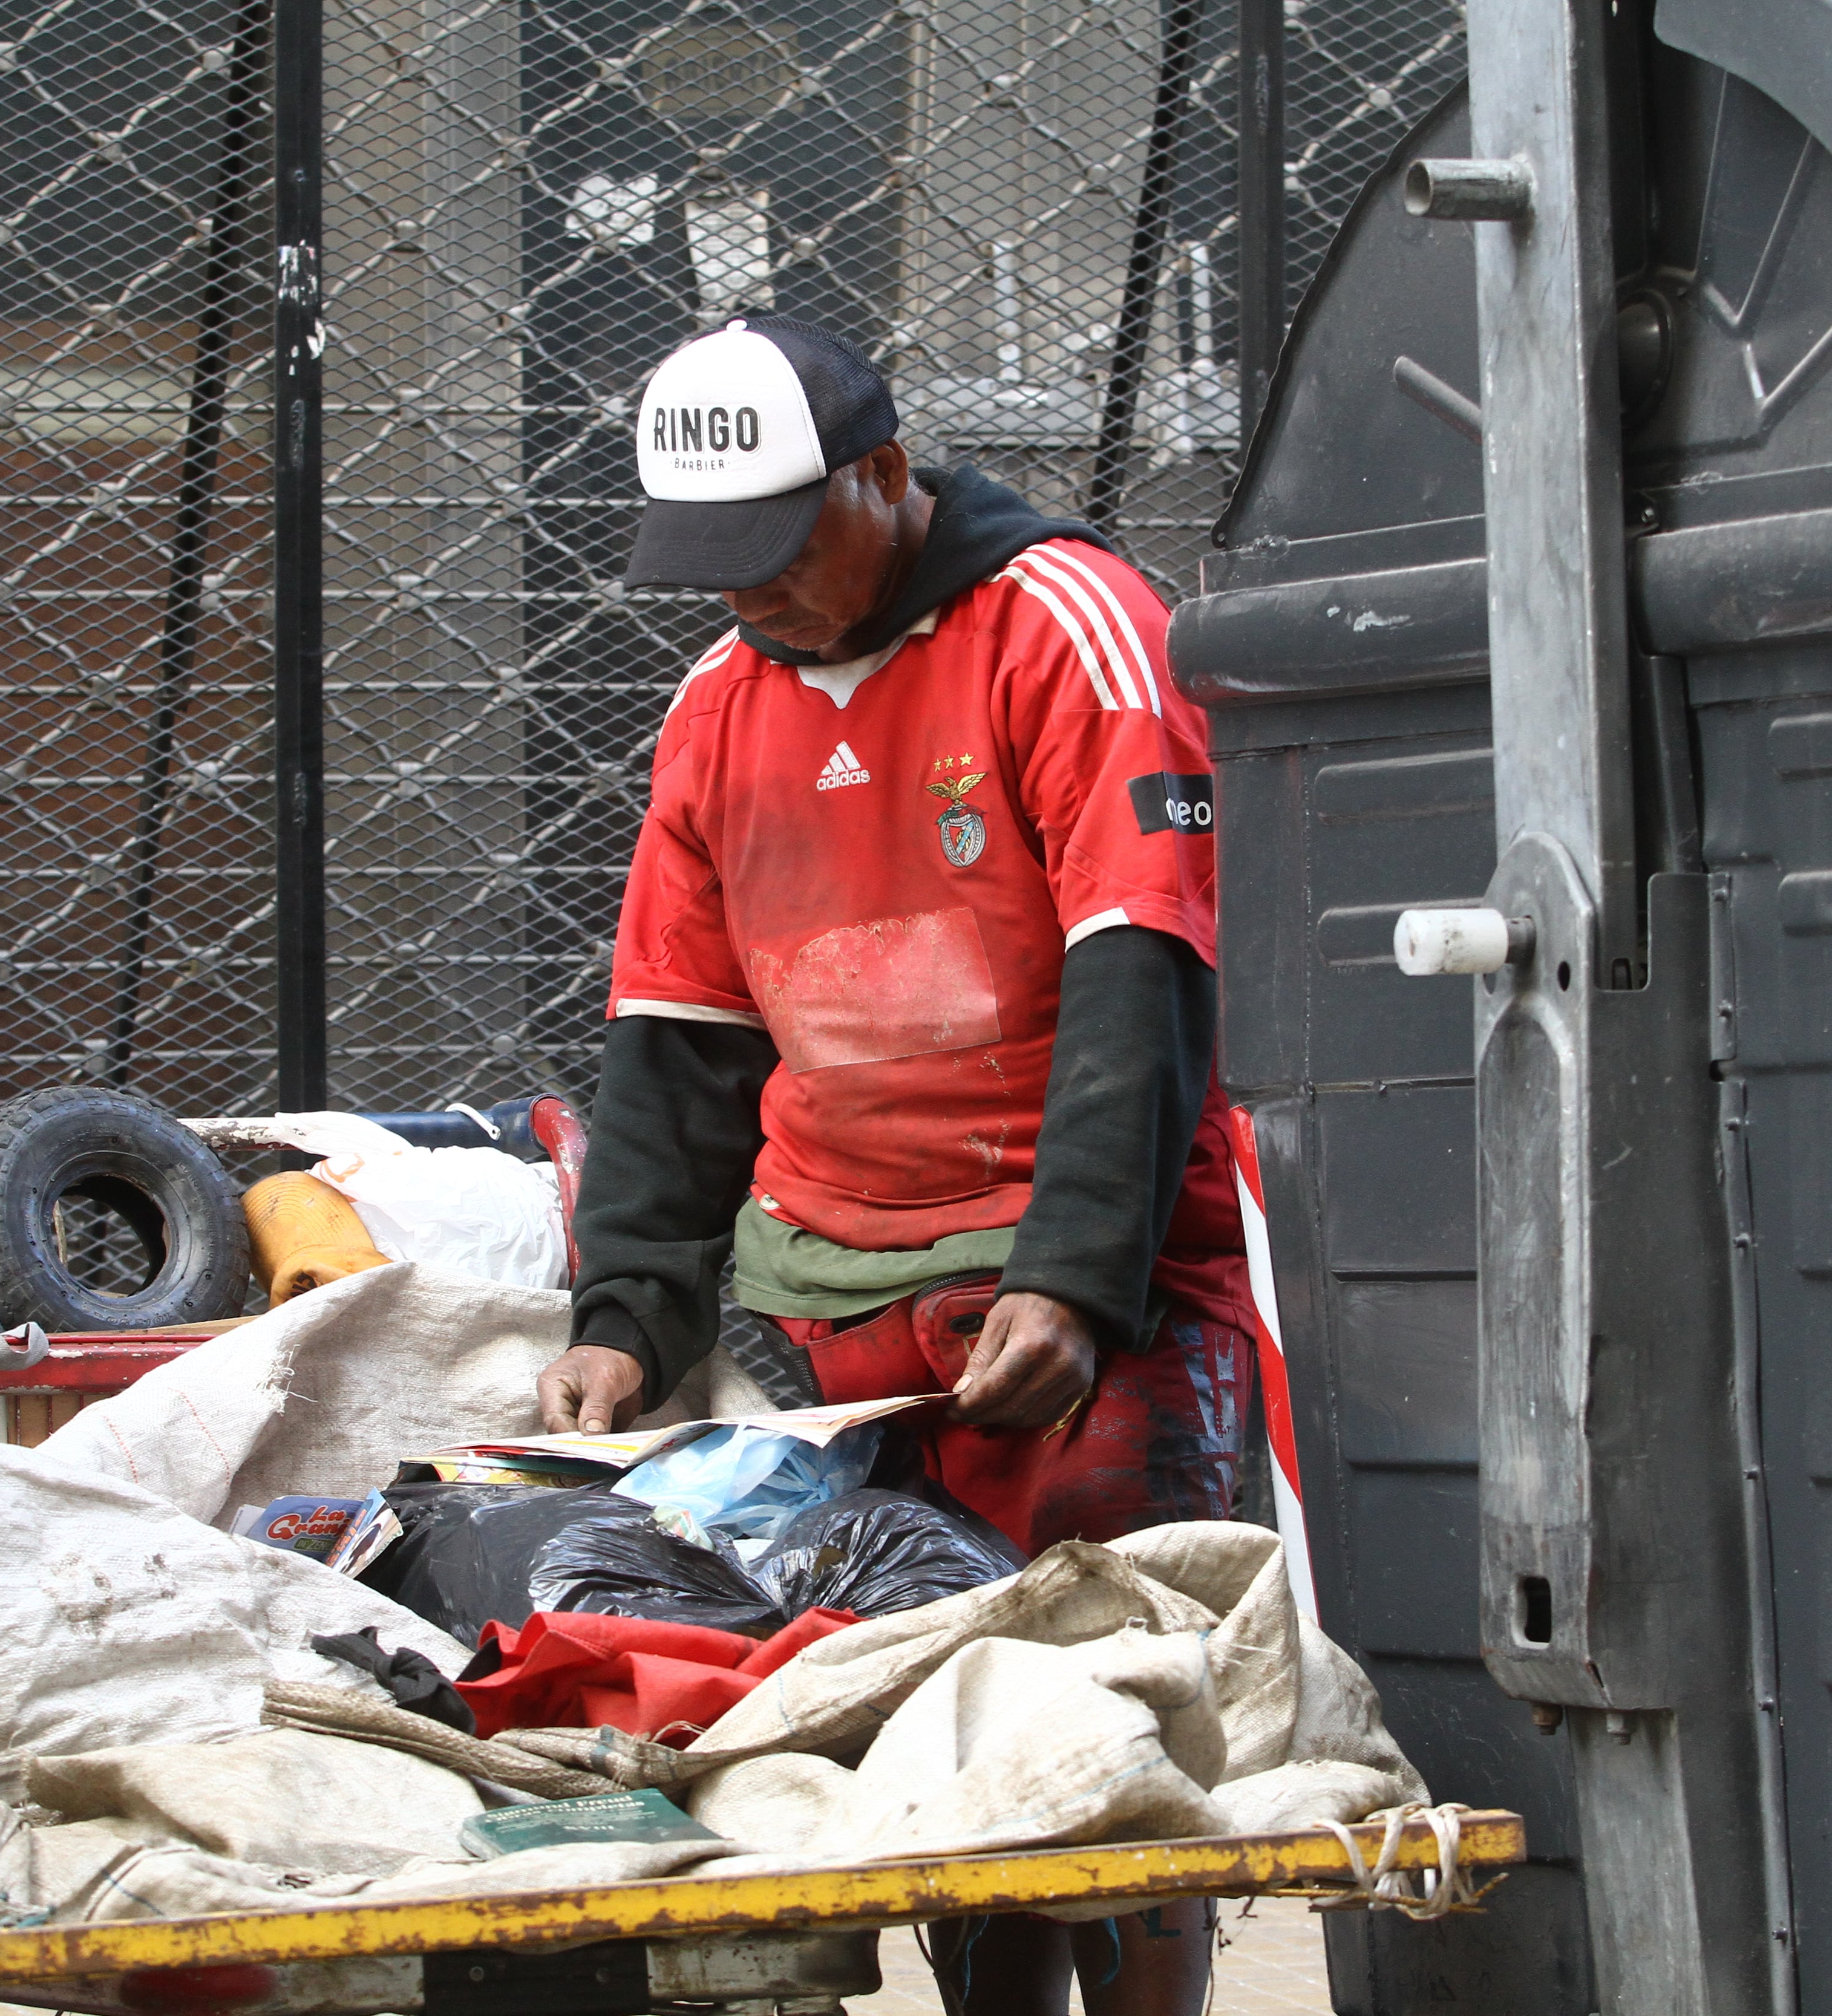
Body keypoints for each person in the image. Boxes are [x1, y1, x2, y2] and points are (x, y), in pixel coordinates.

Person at [534, 314, 1255, 2016]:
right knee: (925, 1738)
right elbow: (678, 1039)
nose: (751, 598)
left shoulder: (1069, 626)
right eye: (715, 571)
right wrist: (627, 1312)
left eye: (778, 554)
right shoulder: (718, 708)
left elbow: (1139, 964)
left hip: (1077, 1277)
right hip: (838, 1304)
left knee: (1114, 1715)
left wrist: (1076, 1278)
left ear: (881, 474)